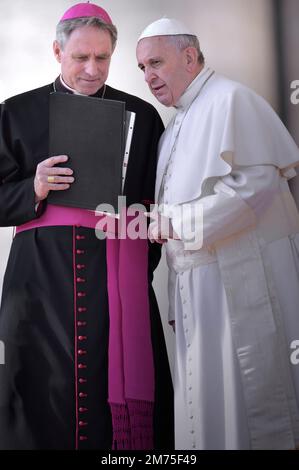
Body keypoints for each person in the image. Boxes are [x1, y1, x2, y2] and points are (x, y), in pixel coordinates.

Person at [0, 4, 174, 450]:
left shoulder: (142, 116)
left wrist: (136, 251)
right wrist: (33, 189)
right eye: (80, 57)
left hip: (114, 281)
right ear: (57, 50)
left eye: (102, 57)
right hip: (39, 283)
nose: (92, 69)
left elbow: (154, 204)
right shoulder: (14, 113)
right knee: (38, 390)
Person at [136, 17, 299, 450]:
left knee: (245, 412)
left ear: (189, 57)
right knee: (204, 417)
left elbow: (254, 190)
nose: (149, 76)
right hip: (196, 295)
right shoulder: (173, 129)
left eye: (156, 62)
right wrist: (173, 297)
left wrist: (174, 225)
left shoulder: (231, 101)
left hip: (236, 282)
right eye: (142, 68)